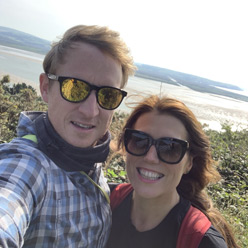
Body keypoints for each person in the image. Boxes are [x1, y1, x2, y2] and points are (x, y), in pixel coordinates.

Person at [0, 25, 136, 247]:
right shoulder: (29, 166)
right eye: (75, 88)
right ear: (45, 88)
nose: (90, 111)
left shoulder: (91, 163)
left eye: (108, 95)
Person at [107, 95, 239, 248]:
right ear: (125, 147)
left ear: (189, 163)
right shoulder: (102, 201)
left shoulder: (202, 242)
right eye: (140, 141)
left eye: (170, 148)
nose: (151, 157)